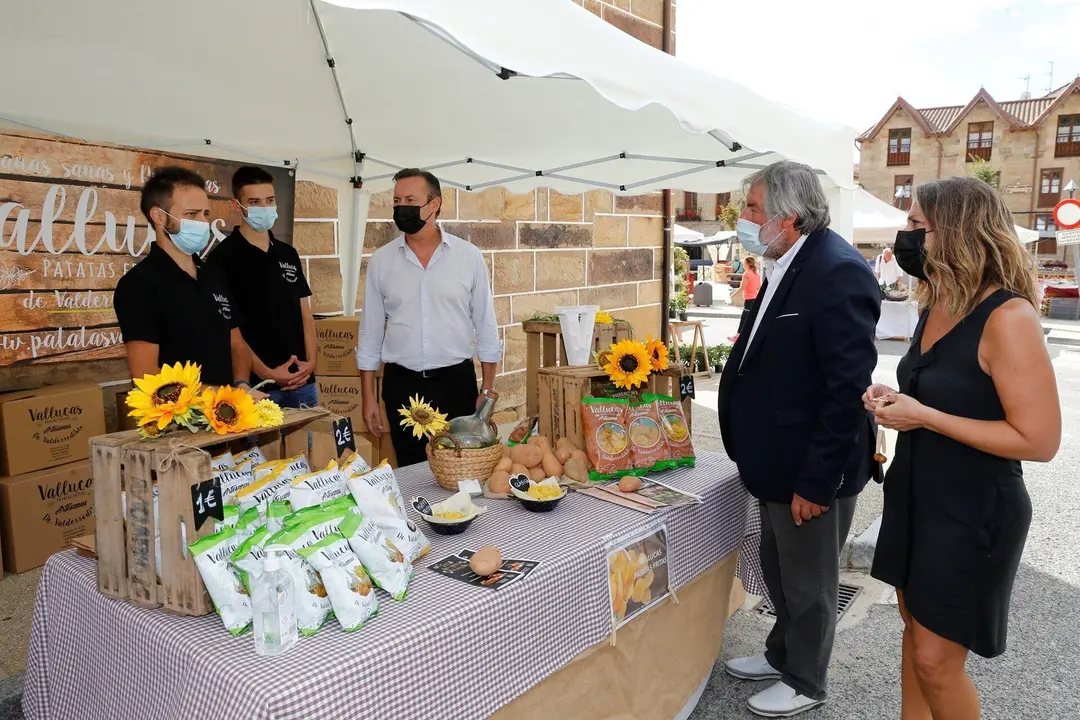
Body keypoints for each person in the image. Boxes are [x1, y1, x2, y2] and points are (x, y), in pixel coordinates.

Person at [867, 177, 1060, 720]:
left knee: (936, 660)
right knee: (913, 636)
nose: (903, 236)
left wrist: (924, 415)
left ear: (955, 231)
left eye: (915, 226)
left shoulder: (1008, 317)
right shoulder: (938, 304)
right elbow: (952, 396)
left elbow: (1039, 441)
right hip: (917, 495)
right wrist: (898, 401)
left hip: (974, 509)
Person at [718, 161, 882, 717]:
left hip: (810, 467)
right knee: (778, 566)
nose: (743, 218)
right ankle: (782, 651)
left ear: (788, 217)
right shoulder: (784, 261)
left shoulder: (838, 270)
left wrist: (817, 480)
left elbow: (844, 391)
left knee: (809, 580)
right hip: (775, 460)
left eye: (753, 208)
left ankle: (806, 680)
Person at [356, 169, 501, 466]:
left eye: (411, 199)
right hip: (402, 387)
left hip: (455, 385)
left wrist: (487, 390)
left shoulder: (468, 257)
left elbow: (486, 324)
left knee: (461, 471)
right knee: (411, 472)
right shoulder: (382, 262)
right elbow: (370, 333)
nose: (401, 207)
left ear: (435, 204)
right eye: (397, 201)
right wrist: (368, 396)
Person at [114, 166, 250, 387]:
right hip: (177, 419)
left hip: (230, 413)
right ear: (159, 216)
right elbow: (146, 375)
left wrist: (242, 384)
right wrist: (220, 396)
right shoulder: (138, 285)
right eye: (191, 214)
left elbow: (237, 345)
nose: (203, 223)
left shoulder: (213, 275)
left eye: (205, 214)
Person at [209, 166, 317, 408]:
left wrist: (311, 363)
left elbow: (305, 315)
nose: (264, 208)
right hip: (258, 389)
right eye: (254, 202)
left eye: (269, 200)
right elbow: (230, 331)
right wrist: (268, 372)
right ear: (237, 205)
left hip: (303, 383)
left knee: (311, 446)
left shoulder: (288, 253)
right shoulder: (223, 258)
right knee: (259, 448)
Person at [732, 255, 761, 340]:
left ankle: (738, 336)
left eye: (744, 263)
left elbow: (742, 288)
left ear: (748, 264)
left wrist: (733, 296)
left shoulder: (746, 274)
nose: (743, 265)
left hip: (749, 300)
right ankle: (746, 336)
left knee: (744, 318)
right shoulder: (756, 274)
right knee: (750, 318)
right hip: (754, 299)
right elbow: (758, 288)